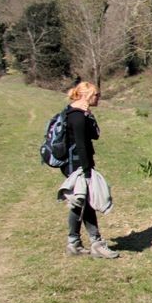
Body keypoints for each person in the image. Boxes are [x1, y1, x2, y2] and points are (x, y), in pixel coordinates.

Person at [62, 81, 118, 258]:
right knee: (86, 201)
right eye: (97, 95)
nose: (99, 98)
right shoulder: (77, 117)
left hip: (80, 164)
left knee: (80, 202)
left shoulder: (80, 114)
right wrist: (86, 171)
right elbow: (81, 145)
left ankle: (74, 244)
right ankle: (97, 243)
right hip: (79, 165)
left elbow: (95, 135)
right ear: (87, 95)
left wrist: (90, 116)